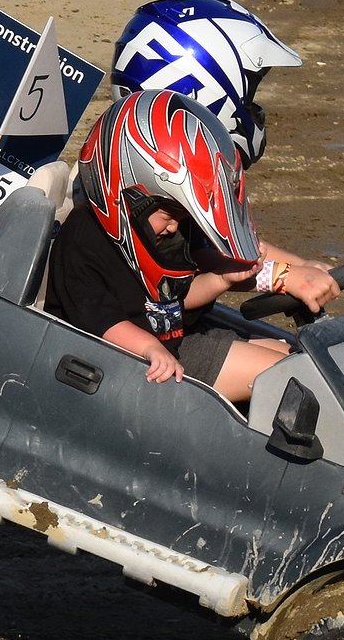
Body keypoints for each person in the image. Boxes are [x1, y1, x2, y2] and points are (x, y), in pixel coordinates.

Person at [45, 89, 289, 405]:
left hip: (177, 341)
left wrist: (222, 279)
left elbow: (177, 297)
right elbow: (101, 321)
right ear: (126, 194)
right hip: (134, 364)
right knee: (286, 378)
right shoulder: (83, 241)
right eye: (168, 216)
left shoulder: (151, 234)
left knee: (293, 357)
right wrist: (150, 348)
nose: (174, 227)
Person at [111, 0, 340, 318]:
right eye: (247, 96)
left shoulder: (159, 168)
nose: (252, 109)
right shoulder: (153, 182)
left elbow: (221, 241)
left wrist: (301, 266)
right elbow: (198, 258)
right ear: (202, 91)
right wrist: (282, 276)